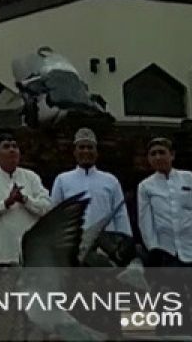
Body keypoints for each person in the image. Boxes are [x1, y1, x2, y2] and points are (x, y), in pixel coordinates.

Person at [137, 136, 192, 339]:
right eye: (153, 154)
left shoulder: (190, 179)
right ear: (149, 159)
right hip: (166, 256)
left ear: (172, 155)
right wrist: (154, 250)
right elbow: (145, 222)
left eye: (162, 152)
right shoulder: (146, 187)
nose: (158, 157)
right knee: (168, 308)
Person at [50, 127, 131, 336]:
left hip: (105, 252)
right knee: (76, 306)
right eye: (82, 147)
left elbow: (120, 215)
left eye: (90, 147)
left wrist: (124, 249)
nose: (86, 151)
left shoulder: (110, 180)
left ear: (97, 151)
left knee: (108, 306)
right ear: (75, 151)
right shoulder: (63, 180)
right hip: (75, 251)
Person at [0, 133, 51, 341]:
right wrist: (5, 203)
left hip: (30, 262)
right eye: (6, 146)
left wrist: (24, 199)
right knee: (3, 320)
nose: (13, 150)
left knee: (33, 319)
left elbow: (46, 207)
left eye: (15, 146)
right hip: (0, 260)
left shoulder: (31, 177)